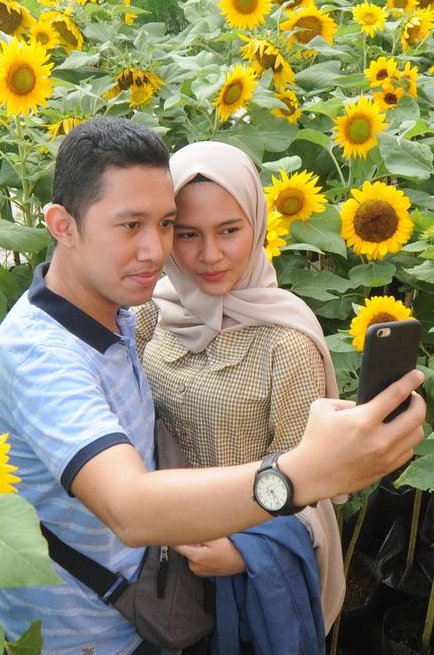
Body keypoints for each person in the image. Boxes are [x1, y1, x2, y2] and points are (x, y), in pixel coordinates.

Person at [0, 117, 426, 655]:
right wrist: (303, 473)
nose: (156, 250)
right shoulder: (48, 356)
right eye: (130, 225)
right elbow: (131, 507)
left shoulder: (120, 311)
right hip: (90, 633)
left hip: (164, 599)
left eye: (165, 223)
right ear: (62, 225)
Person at [135, 141, 343, 652]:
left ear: (258, 223)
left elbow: (311, 478)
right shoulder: (151, 313)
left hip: (243, 577)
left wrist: (244, 551)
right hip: (156, 568)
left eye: (229, 230)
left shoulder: (287, 343)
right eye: (187, 234)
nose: (209, 255)